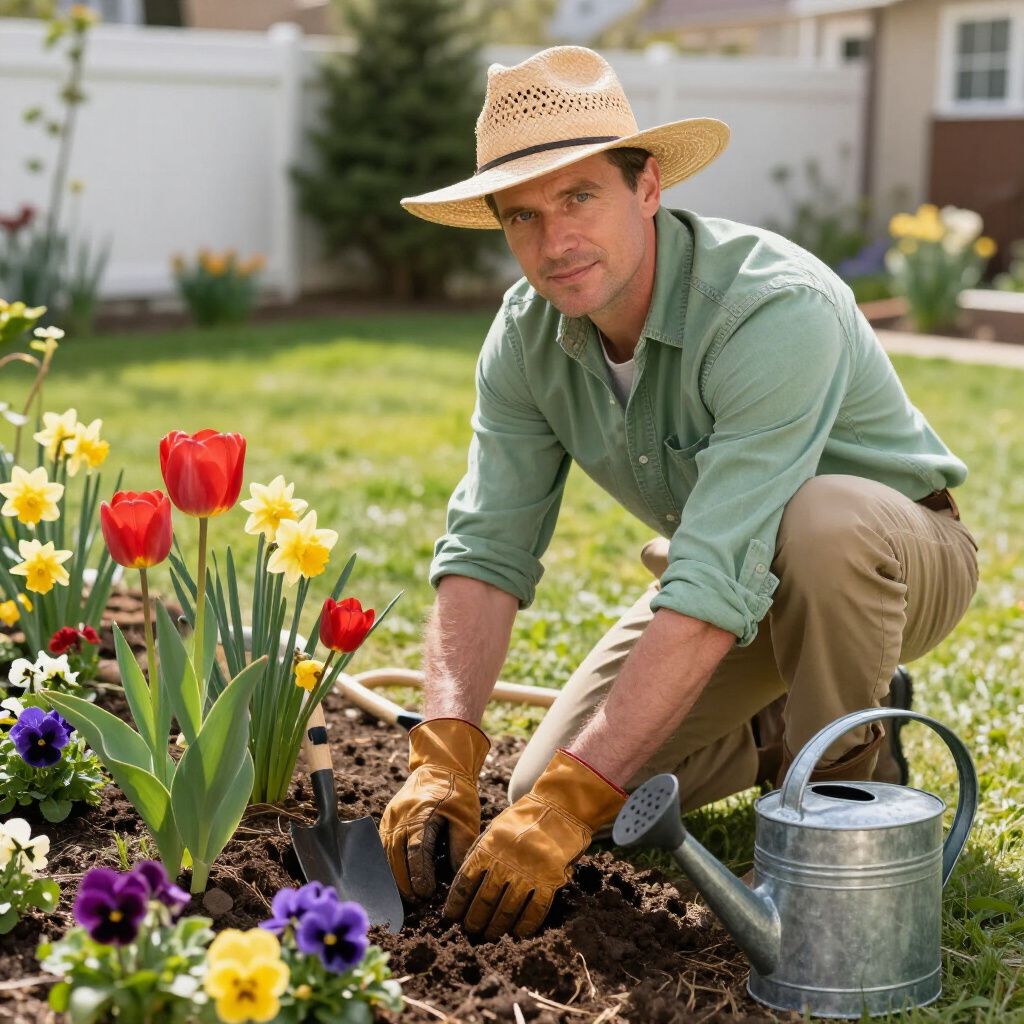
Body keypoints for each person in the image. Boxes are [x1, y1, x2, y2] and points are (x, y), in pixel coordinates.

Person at [378, 45, 979, 943]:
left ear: (648, 186)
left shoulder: (770, 308)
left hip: (888, 559)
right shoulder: (527, 338)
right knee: (529, 787)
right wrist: (445, 745)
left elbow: (711, 578)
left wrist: (577, 803)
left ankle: (845, 784)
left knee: (820, 522)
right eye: (522, 216)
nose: (553, 242)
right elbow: (485, 551)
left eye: (579, 197)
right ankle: (791, 718)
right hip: (729, 582)